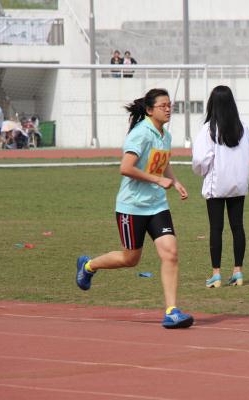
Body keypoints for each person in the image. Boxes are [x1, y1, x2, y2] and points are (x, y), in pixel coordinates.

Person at [76, 88, 194, 329]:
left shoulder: (165, 135)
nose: (168, 109)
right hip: (132, 207)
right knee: (131, 259)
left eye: (170, 105)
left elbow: (163, 162)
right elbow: (126, 168)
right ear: (150, 110)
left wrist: (175, 181)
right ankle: (88, 266)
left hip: (157, 205)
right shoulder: (140, 134)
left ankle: (171, 311)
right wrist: (158, 179)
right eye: (163, 106)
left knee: (170, 253)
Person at [192, 85, 249, 288]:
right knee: (237, 227)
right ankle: (238, 271)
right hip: (238, 184)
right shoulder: (243, 128)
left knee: (216, 228)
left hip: (216, 184)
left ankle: (216, 274)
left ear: (212, 104)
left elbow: (200, 160)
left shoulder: (208, 129)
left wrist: (202, 172)